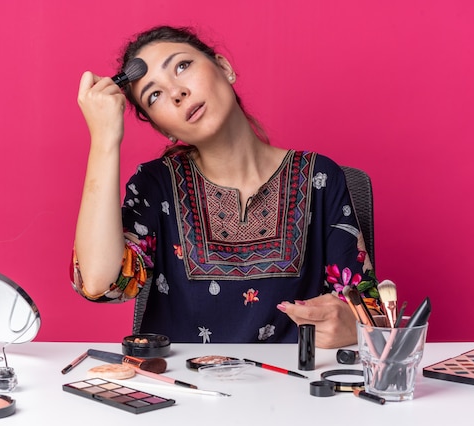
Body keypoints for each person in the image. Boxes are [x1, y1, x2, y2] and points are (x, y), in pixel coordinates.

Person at [71, 25, 377, 348]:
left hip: (292, 393)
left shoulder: (320, 179)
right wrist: (105, 140)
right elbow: (100, 283)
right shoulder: (154, 185)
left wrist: (354, 326)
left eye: (182, 66)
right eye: (154, 95)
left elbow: (374, 314)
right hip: (181, 392)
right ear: (163, 129)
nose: (176, 92)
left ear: (224, 67)